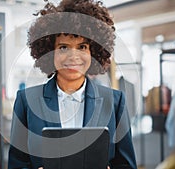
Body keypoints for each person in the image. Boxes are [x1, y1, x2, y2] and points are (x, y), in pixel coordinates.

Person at [8, 0, 137, 169]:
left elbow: (127, 165)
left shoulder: (114, 101)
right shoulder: (26, 101)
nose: (73, 56)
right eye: (63, 47)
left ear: (94, 52)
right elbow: (16, 164)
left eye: (82, 47)